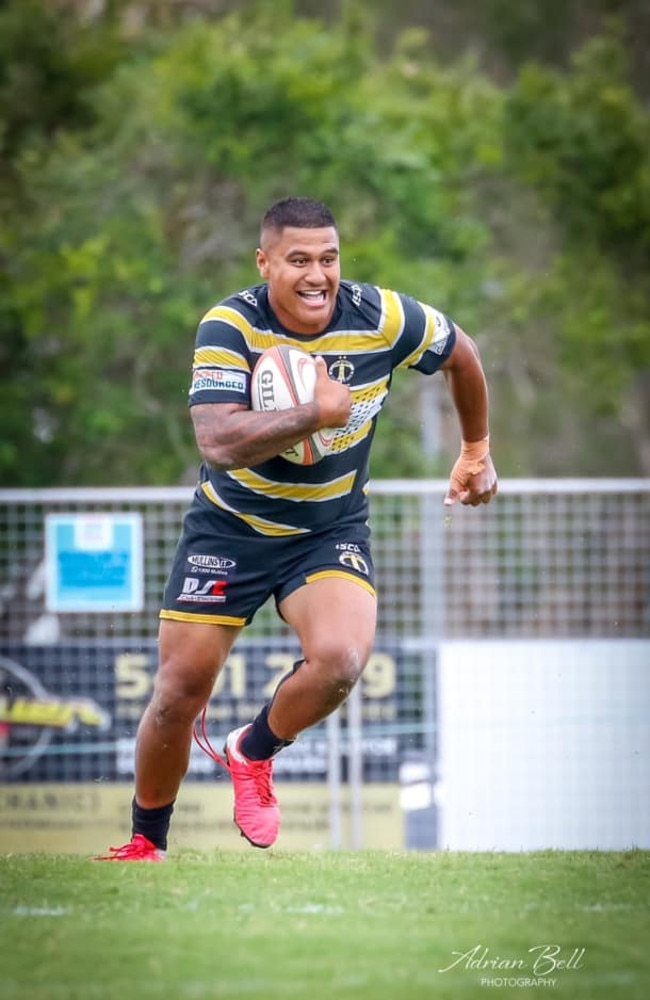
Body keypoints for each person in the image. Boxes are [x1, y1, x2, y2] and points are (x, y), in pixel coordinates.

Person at [96, 196, 497, 861]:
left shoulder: (382, 317)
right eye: (299, 260)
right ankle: (146, 843)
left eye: (330, 258)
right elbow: (218, 440)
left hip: (328, 526)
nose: (318, 275)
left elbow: (463, 354)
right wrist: (313, 413)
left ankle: (252, 751)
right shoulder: (231, 325)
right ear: (265, 263)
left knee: (341, 659)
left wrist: (476, 451)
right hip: (231, 528)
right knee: (178, 691)